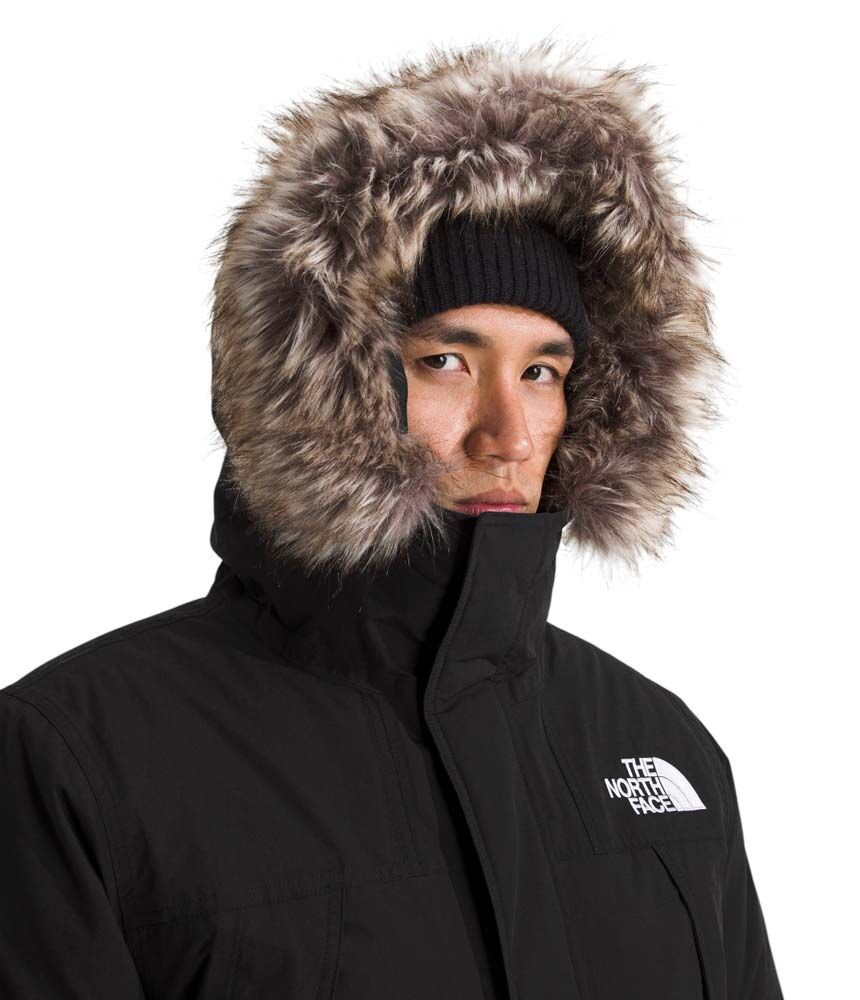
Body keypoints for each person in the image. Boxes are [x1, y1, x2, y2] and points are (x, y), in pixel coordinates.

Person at [0, 37, 784, 999]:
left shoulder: (661, 744)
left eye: (543, 371)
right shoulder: (80, 759)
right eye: (444, 362)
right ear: (320, 390)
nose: (508, 434)